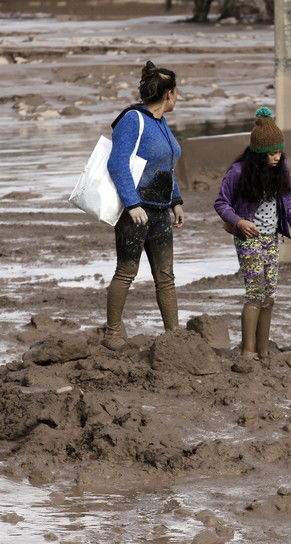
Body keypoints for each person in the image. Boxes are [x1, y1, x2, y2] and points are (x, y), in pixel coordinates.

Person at [103, 60, 185, 350]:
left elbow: (166, 166)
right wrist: (132, 203)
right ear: (168, 95)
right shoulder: (132, 120)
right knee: (126, 272)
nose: (179, 97)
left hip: (162, 211)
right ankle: (112, 332)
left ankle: (173, 336)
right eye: (177, 92)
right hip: (135, 213)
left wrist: (176, 201)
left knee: (166, 277)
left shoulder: (161, 124)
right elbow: (117, 163)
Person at [214, 107, 291, 360]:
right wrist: (239, 222)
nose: (276, 157)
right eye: (271, 153)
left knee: (270, 295)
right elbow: (221, 203)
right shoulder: (238, 172)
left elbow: (288, 201)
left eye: (279, 152)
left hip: (271, 238)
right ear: (258, 153)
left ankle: (264, 352)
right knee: (255, 293)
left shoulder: (280, 170)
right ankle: (247, 352)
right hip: (248, 238)